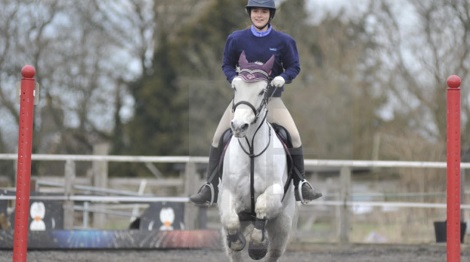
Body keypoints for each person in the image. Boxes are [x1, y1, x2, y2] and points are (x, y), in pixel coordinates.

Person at [190, 0, 322, 206]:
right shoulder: (236, 39)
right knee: (218, 137)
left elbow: (294, 66)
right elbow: (226, 64)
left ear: (270, 15)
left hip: (272, 100)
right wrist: (232, 77)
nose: (259, 15)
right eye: (255, 11)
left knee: (294, 136)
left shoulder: (283, 41)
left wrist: (283, 78)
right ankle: (209, 187)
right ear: (250, 13)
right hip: (243, 100)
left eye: (263, 11)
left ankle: (301, 185)